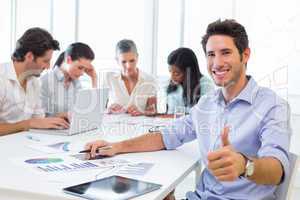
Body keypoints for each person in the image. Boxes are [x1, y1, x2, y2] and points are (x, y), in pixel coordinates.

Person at [84, 19, 291, 200]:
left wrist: (244, 165)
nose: (217, 63)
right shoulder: (206, 104)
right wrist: (117, 146)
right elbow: (167, 136)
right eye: (211, 54)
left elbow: (277, 169)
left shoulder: (272, 105)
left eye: (225, 53)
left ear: (245, 55)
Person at [0, 27, 69, 136]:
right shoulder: (2, 79)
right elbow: (30, 123)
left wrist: (55, 119)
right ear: (29, 56)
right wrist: (27, 124)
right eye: (45, 61)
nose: (48, 66)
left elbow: (38, 120)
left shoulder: (35, 82)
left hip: (27, 144)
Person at [40, 42, 97, 117]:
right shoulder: (45, 81)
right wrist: (62, 115)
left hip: (71, 127)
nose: (82, 73)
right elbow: (37, 116)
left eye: (85, 69)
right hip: (49, 128)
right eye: (80, 68)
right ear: (68, 60)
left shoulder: (76, 82)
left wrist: (94, 78)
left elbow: (89, 109)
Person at [102, 39, 157, 116]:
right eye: (124, 62)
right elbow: (98, 109)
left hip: (139, 126)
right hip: (113, 125)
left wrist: (142, 112)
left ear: (137, 57)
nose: (128, 66)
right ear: (117, 60)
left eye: (132, 61)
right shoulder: (109, 78)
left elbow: (153, 110)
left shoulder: (149, 80)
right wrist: (108, 109)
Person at [166, 47, 214, 114]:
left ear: (189, 71)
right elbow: (170, 112)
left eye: (177, 73)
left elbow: (204, 113)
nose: (172, 77)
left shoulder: (205, 85)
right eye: (170, 72)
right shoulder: (173, 86)